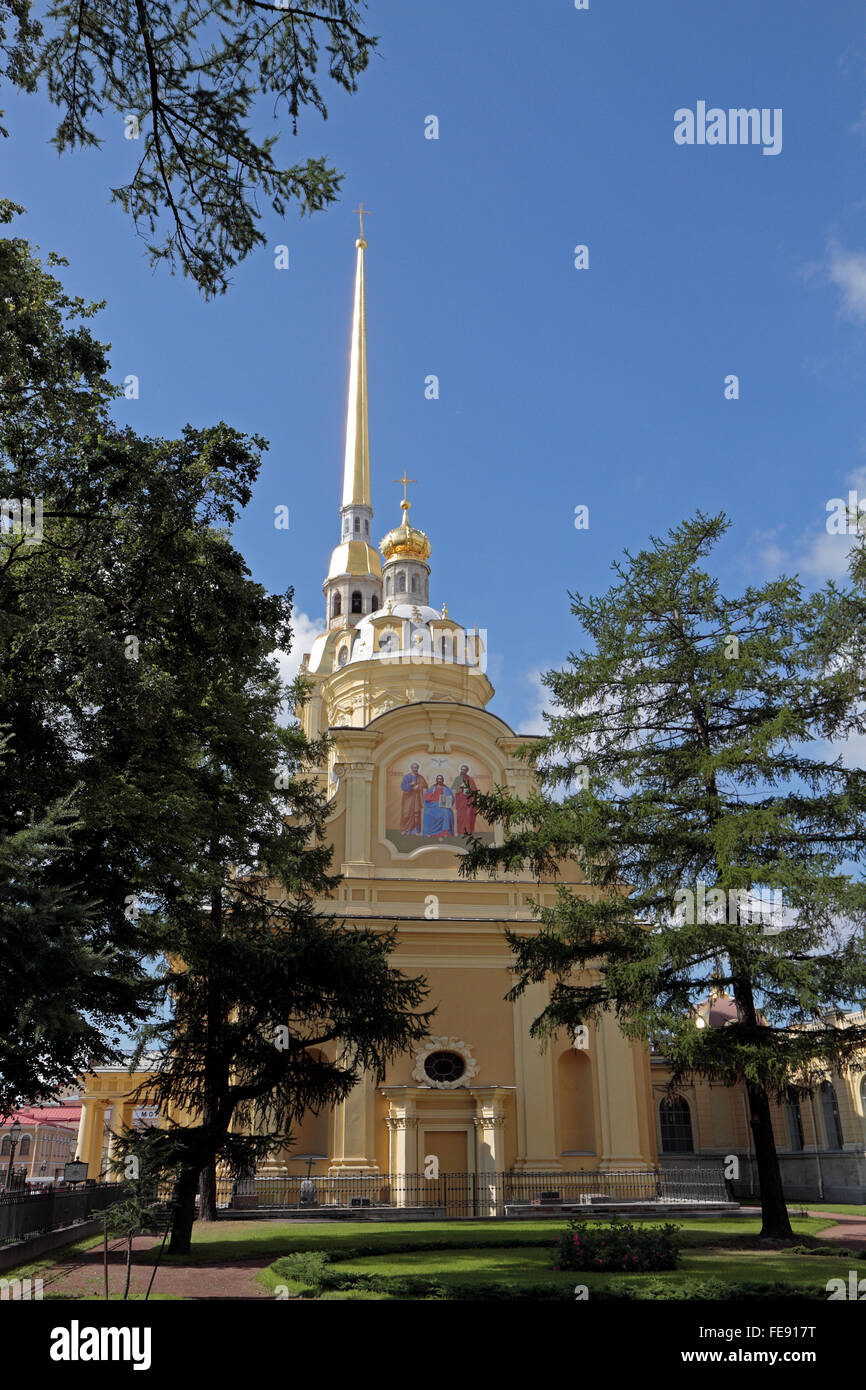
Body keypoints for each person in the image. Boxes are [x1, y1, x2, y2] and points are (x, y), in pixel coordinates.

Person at [400, 762, 428, 834]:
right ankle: (405, 829)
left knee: (417, 813)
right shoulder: (407, 777)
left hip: (417, 798)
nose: (415, 769)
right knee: (407, 813)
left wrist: (420, 787)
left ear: (418, 768)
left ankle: (416, 830)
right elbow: (403, 787)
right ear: (411, 768)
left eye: (416, 768)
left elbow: (425, 786)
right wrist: (410, 785)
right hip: (408, 799)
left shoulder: (420, 777)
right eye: (414, 768)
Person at [452, 764, 478, 835]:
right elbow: (453, 789)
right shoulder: (457, 779)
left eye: (464, 770)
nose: (462, 771)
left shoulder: (470, 779)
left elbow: (474, 790)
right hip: (459, 801)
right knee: (460, 816)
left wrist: (469, 790)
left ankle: (468, 831)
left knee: (468, 816)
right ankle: (460, 831)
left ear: (467, 771)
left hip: (468, 801)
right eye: (462, 769)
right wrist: (460, 787)